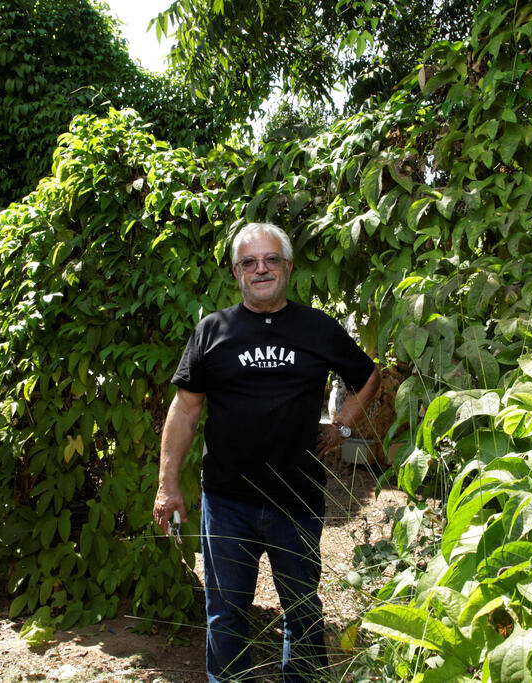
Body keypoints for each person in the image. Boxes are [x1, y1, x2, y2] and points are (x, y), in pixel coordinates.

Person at [152, 222, 380, 682]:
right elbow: (184, 412)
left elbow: (369, 375)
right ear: (236, 273)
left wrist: (343, 423)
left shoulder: (318, 328)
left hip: (296, 501)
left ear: (288, 268)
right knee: (225, 613)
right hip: (226, 501)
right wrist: (167, 485)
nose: (261, 269)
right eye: (250, 262)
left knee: (302, 611)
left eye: (271, 260)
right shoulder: (212, 331)